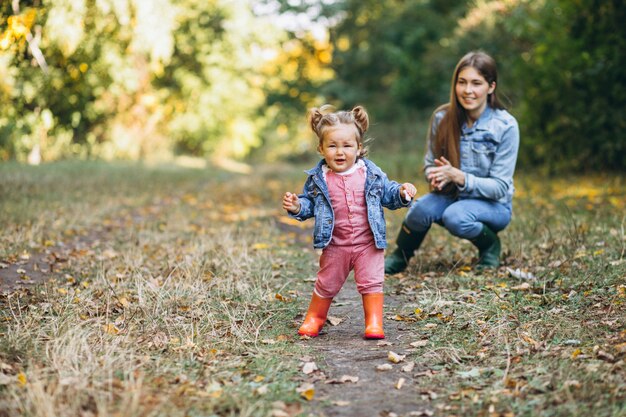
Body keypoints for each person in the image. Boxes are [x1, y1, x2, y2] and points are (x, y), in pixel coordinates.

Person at [283, 105, 417, 339]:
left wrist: (403, 193)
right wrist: (297, 206)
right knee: (327, 283)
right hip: (336, 244)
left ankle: (374, 322)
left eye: (347, 145)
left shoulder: (370, 173)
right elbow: (310, 204)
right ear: (321, 148)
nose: (340, 152)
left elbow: (388, 193)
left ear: (359, 148)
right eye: (332, 145)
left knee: (372, 282)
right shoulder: (319, 178)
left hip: (368, 243)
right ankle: (315, 318)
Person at [385, 51, 520, 275]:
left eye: (476, 83)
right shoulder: (442, 118)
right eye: (462, 82)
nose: (468, 91)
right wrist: (435, 176)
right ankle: (401, 254)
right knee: (418, 209)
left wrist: (458, 176)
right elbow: (430, 163)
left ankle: (490, 245)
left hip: (494, 206)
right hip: (452, 196)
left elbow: (500, 187)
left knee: (456, 216)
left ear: (491, 87)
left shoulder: (506, 126)